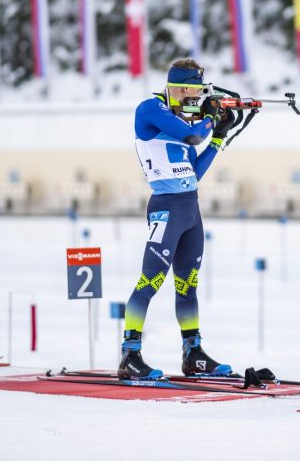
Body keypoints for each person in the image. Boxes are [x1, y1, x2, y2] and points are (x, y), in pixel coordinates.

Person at [118, 59, 236, 380]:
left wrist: (218, 136)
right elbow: (193, 136)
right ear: (179, 89)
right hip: (166, 207)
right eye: (192, 93)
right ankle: (130, 354)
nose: (194, 100)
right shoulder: (151, 110)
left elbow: (194, 172)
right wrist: (210, 118)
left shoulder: (183, 122)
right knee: (149, 282)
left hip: (190, 209)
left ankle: (193, 353)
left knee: (188, 286)